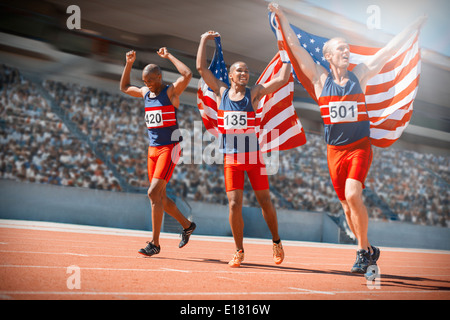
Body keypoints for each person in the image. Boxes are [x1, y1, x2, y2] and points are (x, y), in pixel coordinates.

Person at [269, 3, 427, 273]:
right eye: (340, 48)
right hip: (334, 151)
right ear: (328, 55)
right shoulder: (319, 80)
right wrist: (283, 18)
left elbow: (388, 51)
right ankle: (367, 250)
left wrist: (411, 28)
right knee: (345, 205)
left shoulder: (360, 75)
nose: (347, 51)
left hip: (358, 147)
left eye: (347, 48)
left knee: (354, 195)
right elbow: (296, 49)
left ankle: (362, 251)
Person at [196, 31, 290, 267]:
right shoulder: (221, 92)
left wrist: (288, 56)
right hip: (232, 158)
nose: (244, 73)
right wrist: (203, 41)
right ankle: (239, 250)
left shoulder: (254, 92)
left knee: (265, 202)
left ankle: (276, 241)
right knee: (234, 204)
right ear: (230, 75)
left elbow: (280, 80)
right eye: (239, 70)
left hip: (253, 157)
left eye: (246, 71)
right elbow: (201, 69)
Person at [120, 47, 196, 256]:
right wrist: (128, 63)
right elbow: (125, 87)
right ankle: (187, 226)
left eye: (150, 81)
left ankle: (154, 243)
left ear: (159, 77)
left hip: (169, 148)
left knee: (152, 193)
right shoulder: (146, 92)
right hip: (152, 149)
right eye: (145, 82)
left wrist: (169, 55)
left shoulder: (170, 91)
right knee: (159, 198)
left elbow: (188, 74)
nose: (147, 85)